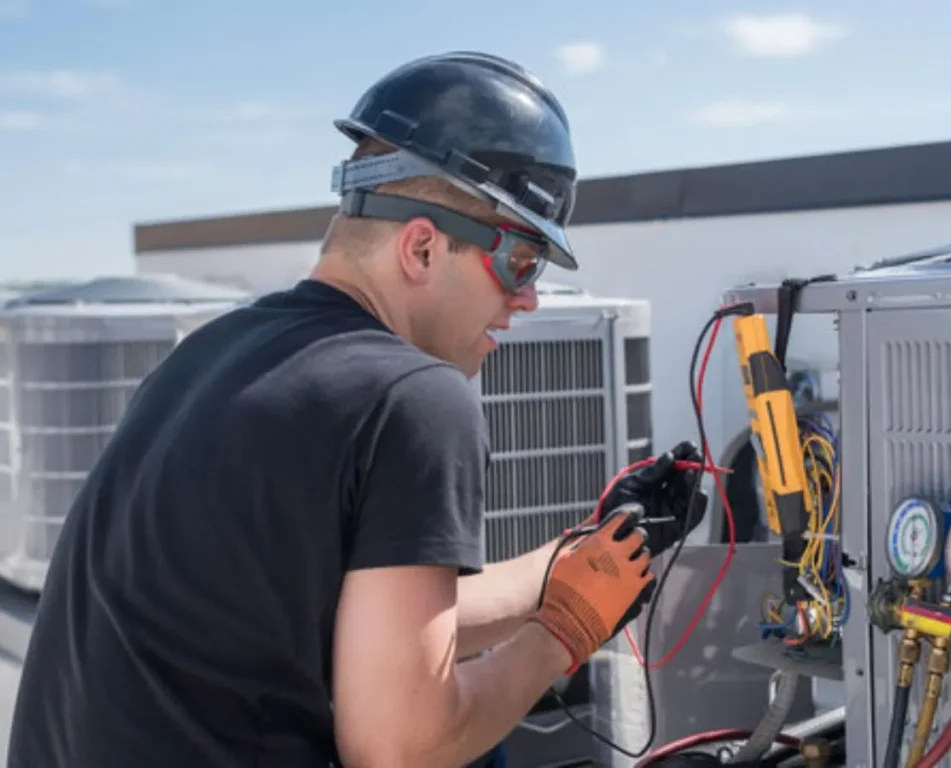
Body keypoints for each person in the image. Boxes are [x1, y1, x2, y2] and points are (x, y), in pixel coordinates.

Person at [6, 51, 705, 767]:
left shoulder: (207, 357)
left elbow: (368, 632)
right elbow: (401, 746)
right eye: (520, 263)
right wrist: (566, 629)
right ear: (422, 247)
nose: (527, 299)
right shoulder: (414, 398)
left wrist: (583, 555)